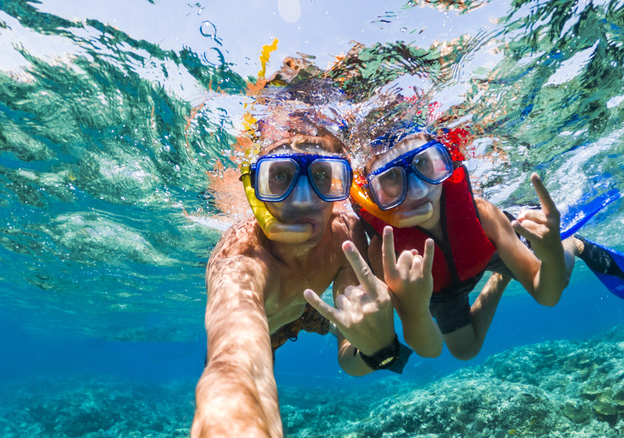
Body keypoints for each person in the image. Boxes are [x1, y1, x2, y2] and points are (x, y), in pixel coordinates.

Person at [191, 120, 413, 438]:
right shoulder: (240, 260)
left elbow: (350, 357)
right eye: (281, 176)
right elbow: (235, 365)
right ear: (255, 188)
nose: (304, 198)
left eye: (323, 176)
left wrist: (379, 348)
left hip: (314, 305)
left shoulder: (345, 238)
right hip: (268, 328)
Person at [332, 126, 582, 360]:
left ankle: (572, 243)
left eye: (423, 164)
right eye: (391, 178)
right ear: (373, 196)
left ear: (444, 162)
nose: (418, 190)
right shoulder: (386, 253)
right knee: (465, 350)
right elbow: (429, 350)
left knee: (561, 277)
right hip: (440, 293)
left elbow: (547, 295)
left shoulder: (482, 213)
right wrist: (414, 308)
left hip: (487, 253)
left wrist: (550, 256)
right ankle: (500, 279)